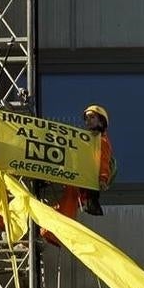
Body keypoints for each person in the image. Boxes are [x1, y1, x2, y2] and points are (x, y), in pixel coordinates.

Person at [40, 104, 114, 246]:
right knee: (66, 206)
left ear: (101, 121)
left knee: (68, 206)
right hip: (74, 177)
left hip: (81, 180)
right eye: (86, 118)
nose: (88, 121)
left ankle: (49, 232)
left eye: (92, 117)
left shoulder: (101, 141)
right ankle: (49, 231)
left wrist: (103, 178)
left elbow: (103, 161)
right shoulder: (86, 139)